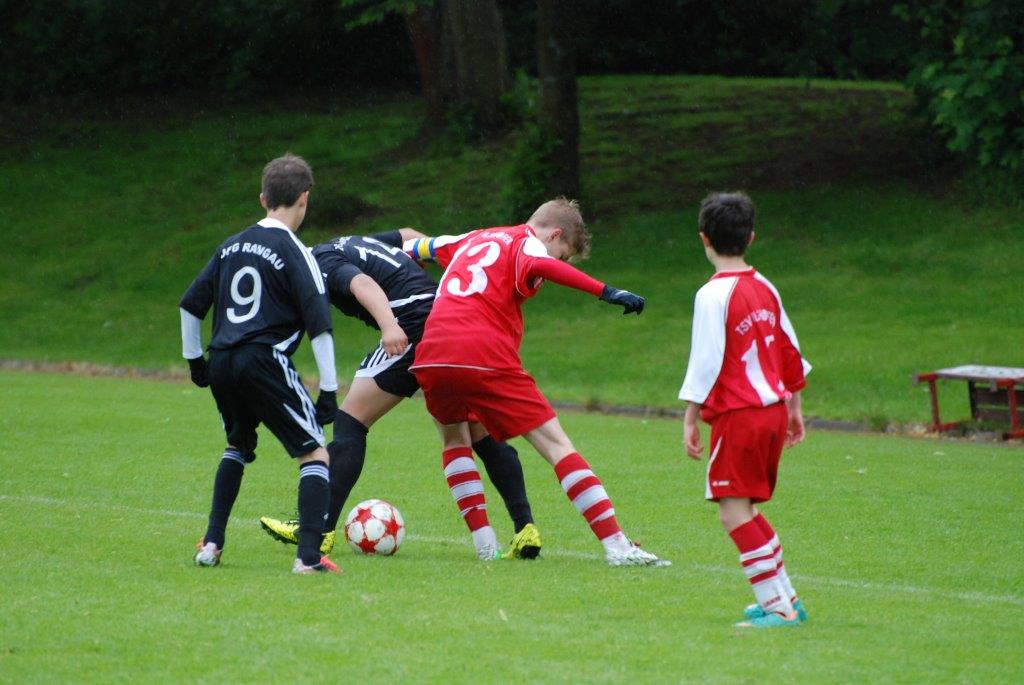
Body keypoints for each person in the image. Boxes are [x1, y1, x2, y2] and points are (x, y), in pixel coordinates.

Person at [406, 198, 669, 566]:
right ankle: (618, 547)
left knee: (453, 440)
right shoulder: (527, 242)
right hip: (481, 351)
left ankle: (485, 548)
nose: (559, 263)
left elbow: (414, 248)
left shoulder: (474, 237)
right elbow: (542, 263)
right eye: (563, 255)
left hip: (432, 352)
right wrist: (607, 291)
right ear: (554, 234)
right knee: (557, 445)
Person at [258, 229, 543, 559]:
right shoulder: (349, 242)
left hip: (412, 325)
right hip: (448, 321)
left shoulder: (318, 261)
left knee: (351, 421)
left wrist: (389, 325)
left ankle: (318, 529)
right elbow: (408, 236)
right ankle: (525, 529)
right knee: (477, 432)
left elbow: (362, 284)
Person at [179, 154, 342, 574]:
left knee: (237, 446)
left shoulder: (230, 246)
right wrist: (328, 389)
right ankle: (308, 558)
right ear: (304, 199)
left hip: (222, 359)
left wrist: (195, 361)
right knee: (315, 453)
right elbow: (320, 324)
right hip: (263, 359)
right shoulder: (296, 251)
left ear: (263, 199)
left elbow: (190, 305)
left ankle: (211, 544)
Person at [679, 191, 810, 627]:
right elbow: (789, 350)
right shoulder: (764, 286)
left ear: (704, 238)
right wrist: (795, 407)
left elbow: (706, 360)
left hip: (741, 414)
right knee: (747, 507)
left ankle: (778, 608)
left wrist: (690, 416)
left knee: (732, 511)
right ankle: (788, 599)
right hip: (773, 410)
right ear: (751, 237)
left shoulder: (712, 295)